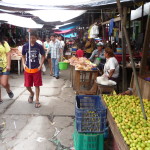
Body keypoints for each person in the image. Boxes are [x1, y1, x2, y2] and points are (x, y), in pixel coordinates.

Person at [22, 31, 45, 108]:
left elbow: (43, 56)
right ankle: (31, 93)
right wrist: (23, 64)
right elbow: (23, 56)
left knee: (37, 85)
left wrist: (40, 65)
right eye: (30, 38)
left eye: (33, 38)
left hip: (36, 69)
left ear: (36, 38)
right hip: (27, 69)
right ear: (28, 38)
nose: (32, 39)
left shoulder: (39, 46)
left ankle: (37, 100)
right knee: (27, 85)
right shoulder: (25, 46)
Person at [0, 34, 14, 103]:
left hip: (4, 66)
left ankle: (8, 90)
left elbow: (8, 54)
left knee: (4, 83)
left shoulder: (4, 43)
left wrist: (9, 65)